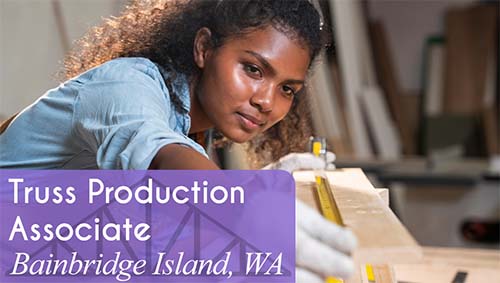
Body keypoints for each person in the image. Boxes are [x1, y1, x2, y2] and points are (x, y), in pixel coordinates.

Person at [0, 0, 356, 281]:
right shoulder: (127, 86)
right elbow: (161, 156)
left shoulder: (191, 123)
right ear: (204, 48)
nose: (267, 101)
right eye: (253, 69)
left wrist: (252, 186)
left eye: (287, 89)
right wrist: (242, 205)